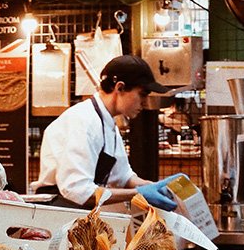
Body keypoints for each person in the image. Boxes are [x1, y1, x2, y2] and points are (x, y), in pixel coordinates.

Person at [34, 54, 182, 209]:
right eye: (142, 94)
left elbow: (123, 176)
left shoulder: (107, 122)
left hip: (80, 213)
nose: (144, 103)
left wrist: (155, 187)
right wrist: (138, 193)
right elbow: (77, 192)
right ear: (120, 87)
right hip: (57, 212)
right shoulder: (83, 121)